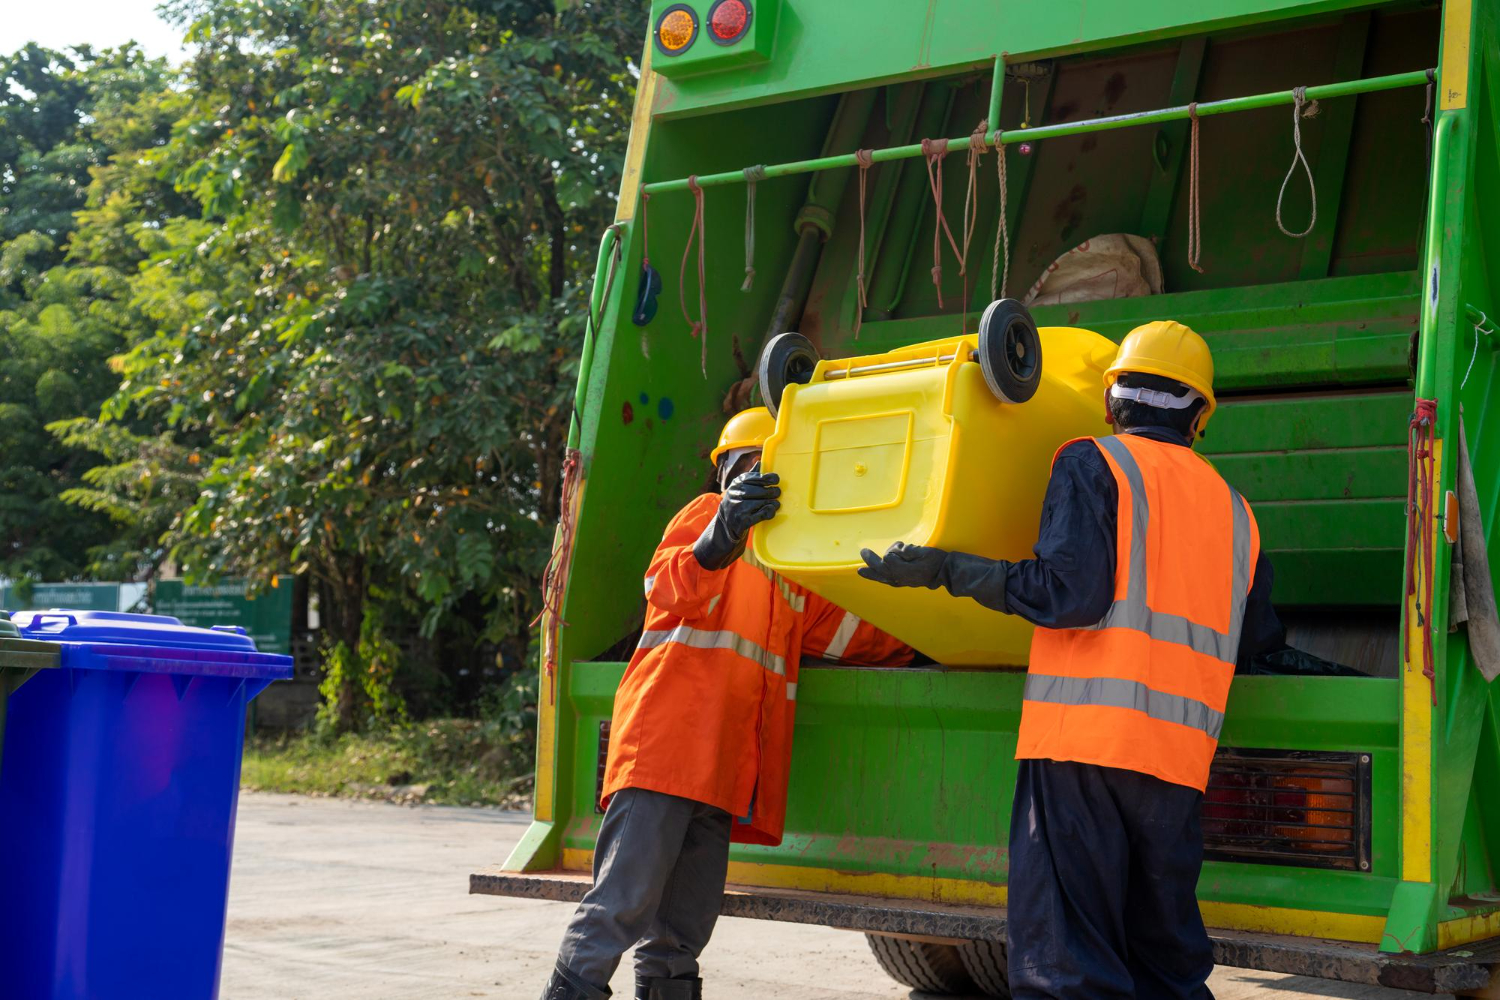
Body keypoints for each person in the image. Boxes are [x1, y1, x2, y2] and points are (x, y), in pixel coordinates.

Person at [858, 321, 1284, 1000]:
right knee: (1166, 963)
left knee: (1071, 966)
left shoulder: (1094, 461)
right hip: (1176, 762)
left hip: (1082, 747)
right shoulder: (1238, 512)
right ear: (1200, 414)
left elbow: (1069, 595)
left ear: (1112, 401)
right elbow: (1259, 638)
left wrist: (946, 569)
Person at [540, 407, 913, 1000]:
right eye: (749, 466)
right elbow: (666, 584)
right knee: (621, 905)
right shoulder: (703, 516)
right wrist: (722, 535)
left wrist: (926, 623)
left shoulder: (790, 565)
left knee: (682, 928)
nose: (761, 477)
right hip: (665, 755)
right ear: (726, 475)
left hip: (721, 769)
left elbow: (849, 635)